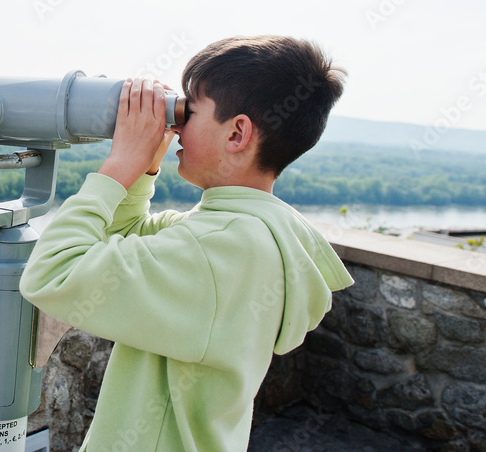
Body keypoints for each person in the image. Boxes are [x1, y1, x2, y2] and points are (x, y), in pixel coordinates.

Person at [19, 35, 354, 452]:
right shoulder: (257, 231)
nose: (174, 125)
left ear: (237, 133)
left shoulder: (214, 246)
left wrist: (119, 165)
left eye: (190, 109)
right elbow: (121, 239)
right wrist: (144, 169)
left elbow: (52, 273)